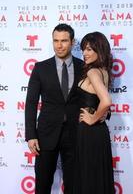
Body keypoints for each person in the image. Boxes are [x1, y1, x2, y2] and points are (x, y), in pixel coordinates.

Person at [25, 23, 83, 194]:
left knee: (74, 184)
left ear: (72, 42)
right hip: (45, 134)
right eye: (55, 40)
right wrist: (31, 135)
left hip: (75, 134)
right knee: (42, 184)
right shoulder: (40, 68)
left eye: (64, 41)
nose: (59, 45)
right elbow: (31, 103)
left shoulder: (84, 67)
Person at [73, 31, 115, 194]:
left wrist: (92, 118)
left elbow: (106, 101)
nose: (84, 53)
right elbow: (101, 103)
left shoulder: (92, 72)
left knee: (88, 177)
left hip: (89, 131)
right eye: (84, 49)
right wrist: (101, 115)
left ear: (100, 50)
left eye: (90, 49)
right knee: (96, 176)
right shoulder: (103, 71)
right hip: (99, 132)